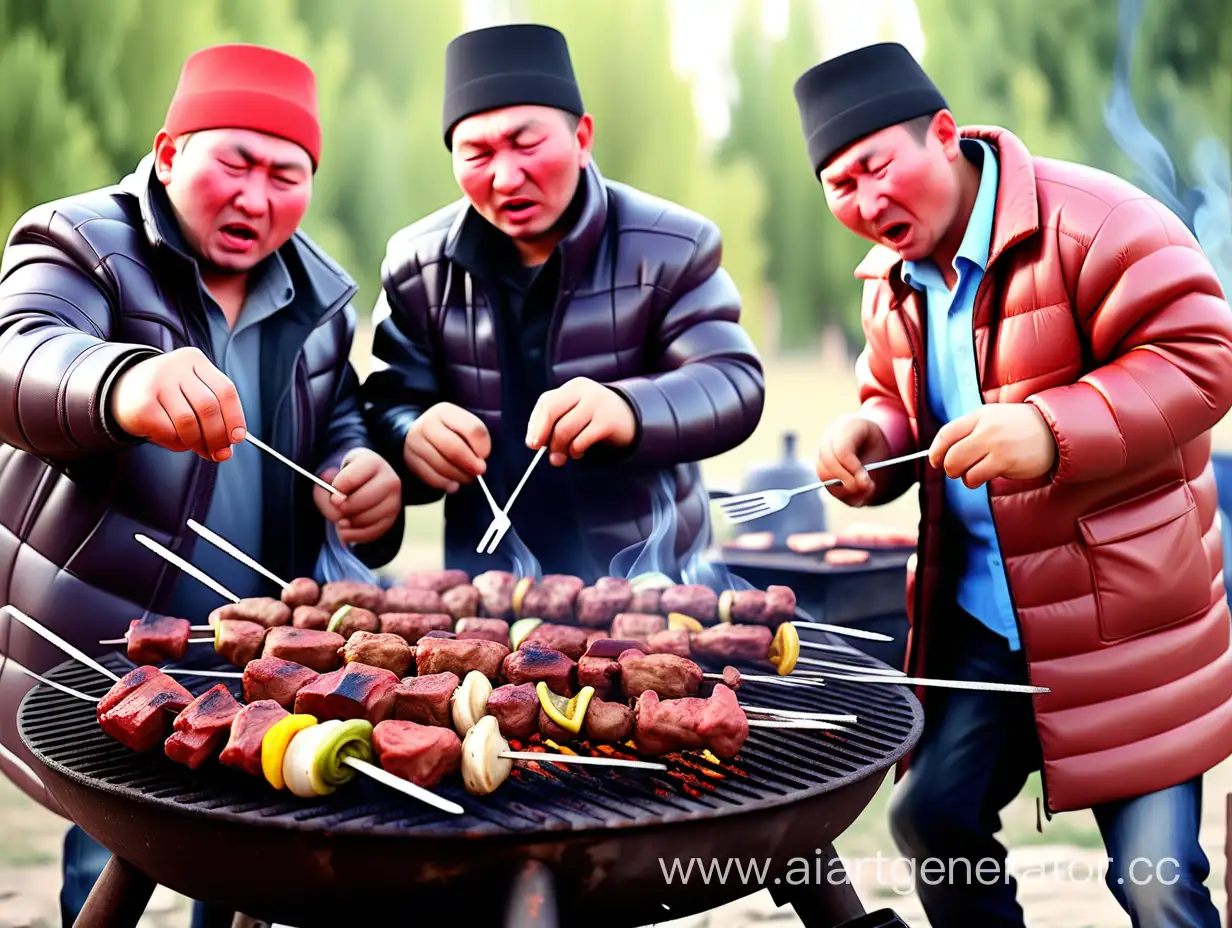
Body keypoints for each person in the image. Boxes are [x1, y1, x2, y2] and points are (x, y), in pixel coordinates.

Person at [793, 42, 1232, 927]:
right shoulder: (889, 282)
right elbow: (897, 406)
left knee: (1154, 882)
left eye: (878, 165)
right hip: (985, 628)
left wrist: (1048, 428)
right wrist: (865, 439)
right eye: (839, 185)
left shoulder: (1097, 221)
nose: (865, 201)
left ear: (944, 136)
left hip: (1124, 628)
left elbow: (1203, 359)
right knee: (929, 819)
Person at [0, 44, 403, 927]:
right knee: (110, 860)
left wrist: (357, 476)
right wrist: (117, 382)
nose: (259, 197)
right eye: (235, 160)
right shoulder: (77, 240)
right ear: (171, 149)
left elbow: (338, 421)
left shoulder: (321, 294)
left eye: (287, 174)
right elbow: (19, 353)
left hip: (259, 658)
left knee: (255, 866)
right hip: (111, 649)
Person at [361, 22, 765, 582]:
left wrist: (627, 408)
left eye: (527, 144)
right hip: (487, 593)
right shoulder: (418, 263)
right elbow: (384, 404)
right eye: (476, 153)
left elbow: (733, 382)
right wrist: (412, 435)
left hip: (653, 584)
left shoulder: (672, 244)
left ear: (582, 139)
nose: (506, 177)